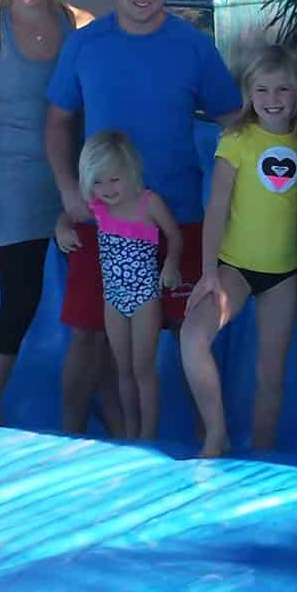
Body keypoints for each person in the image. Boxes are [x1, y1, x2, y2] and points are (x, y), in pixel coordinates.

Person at [44, 0, 244, 435]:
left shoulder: (194, 47)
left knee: (187, 332)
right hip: (103, 215)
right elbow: (57, 120)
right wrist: (69, 191)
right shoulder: (85, 46)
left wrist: (268, 179)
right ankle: (69, 440)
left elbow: (236, 121)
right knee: (90, 334)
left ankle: (206, 445)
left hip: (178, 217)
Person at [0, 0, 101, 428]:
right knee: (19, 303)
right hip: (17, 181)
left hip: (79, 182)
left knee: (92, 309)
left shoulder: (81, 25)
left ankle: (81, 415)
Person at [180, 48, 297, 458]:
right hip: (234, 267)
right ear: (249, 94)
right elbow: (217, 206)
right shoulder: (237, 139)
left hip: (283, 274)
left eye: (283, 89)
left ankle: (262, 451)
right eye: (262, 89)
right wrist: (208, 272)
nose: (273, 98)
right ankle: (215, 432)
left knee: (270, 373)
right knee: (193, 337)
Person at [56, 132, 182, 440]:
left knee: (143, 370)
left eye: (114, 180)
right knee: (122, 369)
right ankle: (130, 431)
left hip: (144, 299)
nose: (107, 189)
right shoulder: (98, 207)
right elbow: (68, 214)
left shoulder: (147, 203)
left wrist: (171, 264)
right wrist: (61, 229)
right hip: (113, 299)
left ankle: (148, 435)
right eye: (98, 182)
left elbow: (174, 235)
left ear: (131, 173)